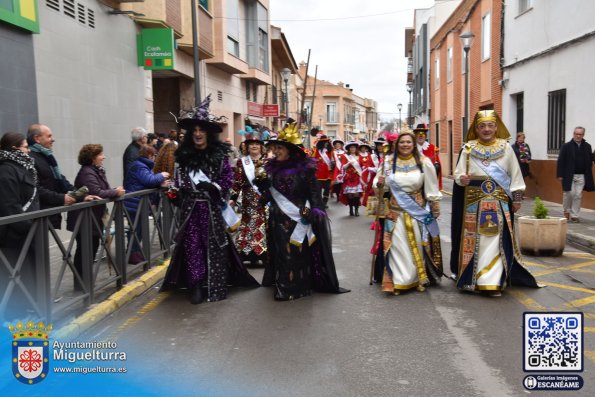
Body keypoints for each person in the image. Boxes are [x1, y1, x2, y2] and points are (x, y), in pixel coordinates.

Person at [160, 94, 258, 304]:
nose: (197, 134)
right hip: (190, 209)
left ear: (208, 133)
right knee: (192, 246)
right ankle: (196, 285)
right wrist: (174, 192)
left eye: (201, 130)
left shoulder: (220, 156)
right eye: (194, 130)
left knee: (214, 246)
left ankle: (214, 284)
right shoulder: (183, 156)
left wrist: (213, 187)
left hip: (212, 210)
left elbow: (227, 179)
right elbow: (177, 181)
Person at [255, 123, 349, 300]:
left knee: (294, 253)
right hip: (277, 217)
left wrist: (316, 210)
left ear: (290, 150)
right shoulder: (272, 168)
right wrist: (263, 193)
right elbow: (272, 192)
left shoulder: (305, 169)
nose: (276, 151)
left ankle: (292, 287)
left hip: (296, 217)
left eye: (280, 148)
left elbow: (314, 192)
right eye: (275, 147)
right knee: (281, 252)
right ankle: (283, 282)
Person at [451, 110, 539, 296]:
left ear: (496, 127)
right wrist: (462, 179)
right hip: (473, 204)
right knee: (476, 241)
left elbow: (515, 175)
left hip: (498, 203)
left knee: (495, 240)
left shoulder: (506, 148)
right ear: (476, 128)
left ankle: (493, 282)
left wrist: (516, 199)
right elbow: (458, 174)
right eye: (482, 126)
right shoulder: (468, 148)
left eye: (490, 125)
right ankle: (471, 279)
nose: (486, 129)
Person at [372, 132, 443, 295]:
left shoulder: (424, 162)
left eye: (408, 142)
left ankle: (416, 279)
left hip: (417, 212)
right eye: (402, 142)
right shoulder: (388, 162)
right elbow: (379, 184)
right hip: (395, 212)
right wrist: (379, 183)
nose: (405, 145)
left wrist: (435, 206)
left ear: (413, 144)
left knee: (417, 246)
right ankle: (398, 281)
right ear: (397, 145)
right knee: (396, 247)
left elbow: (432, 187)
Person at [67, 144, 125, 291]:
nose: (103, 157)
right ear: (93, 158)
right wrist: (115, 192)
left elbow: (102, 190)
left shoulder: (95, 171)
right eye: (101, 154)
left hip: (92, 218)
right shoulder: (87, 173)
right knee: (84, 251)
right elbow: (97, 191)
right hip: (85, 218)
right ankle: (81, 285)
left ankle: (85, 284)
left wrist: (112, 191)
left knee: (90, 250)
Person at [0, 132, 40, 319]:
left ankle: (27, 311)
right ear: (15, 148)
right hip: (14, 235)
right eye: (25, 146)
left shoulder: (22, 167)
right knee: (14, 278)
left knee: (26, 275)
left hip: (25, 232)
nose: (28, 149)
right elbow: (9, 205)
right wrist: (29, 227)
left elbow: (35, 194)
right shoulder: (6, 170)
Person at [124, 145, 169, 264]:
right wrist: (161, 175)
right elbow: (148, 180)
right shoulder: (140, 166)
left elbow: (147, 182)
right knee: (135, 230)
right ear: (149, 155)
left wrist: (160, 184)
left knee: (139, 230)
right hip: (134, 203)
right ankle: (132, 254)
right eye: (154, 155)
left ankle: (135, 253)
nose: (154, 158)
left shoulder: (141, 165)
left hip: (138, 203)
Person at [230, 129, 269, 267]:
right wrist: (232, 197)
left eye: (257, 144)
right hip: (248, 199)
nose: (254, 146)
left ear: (261, 146)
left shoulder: (268, 162)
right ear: (247, 146)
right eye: (251, 144)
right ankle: (248, 253)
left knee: (263, 225)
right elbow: (237, 181)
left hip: (264, 199)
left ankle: (264, 254)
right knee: (248, 224)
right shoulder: (242, 162)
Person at [27, 123, 77, 229]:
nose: (53, 139)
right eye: (49, 136)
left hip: (47, 215)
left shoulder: (47, 157)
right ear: (37, 138)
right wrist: (61, 198)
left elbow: (60, 180)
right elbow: (35, 189)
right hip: (38, 217)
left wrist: (80, 194)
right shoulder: (30, 159)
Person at [556, 126, 594, 222]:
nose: (578, 136)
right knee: (569, 193)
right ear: (573, 134)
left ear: (583, 135)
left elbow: (590, 160)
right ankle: (566, 210)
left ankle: (575, 215)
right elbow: (561, 161)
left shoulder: (587, 146)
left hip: (582, 175)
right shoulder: (566, 146)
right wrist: (560, 174)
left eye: (580, 134)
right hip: (569, 175)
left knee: (578, 195)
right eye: (576, 134)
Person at [414, 124, 443, 190]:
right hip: (415, 182)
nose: (420, 136)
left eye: (423, 134)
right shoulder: (412, 148)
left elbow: (438, 167)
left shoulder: (432, 148)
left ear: (426, 136)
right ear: (415, 135)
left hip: (429, 182)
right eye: (418, 133)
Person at [338, 141, 364, 216]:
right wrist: (349, 163)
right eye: (351, 147)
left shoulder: (359, 157)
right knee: (350, 195)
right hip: (349, 177)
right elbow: (343, 167)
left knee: (356, 195)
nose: (352, 149)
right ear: (349, 149)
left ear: (356, 149)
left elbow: (363, 167)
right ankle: (350, 209)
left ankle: (356, 210)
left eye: (354, 147)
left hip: (357, 177)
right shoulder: (345, 156)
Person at [311, 135, 334, 207]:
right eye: (325, 142)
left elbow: (333, 161)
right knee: (318, 189)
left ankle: (325, 202)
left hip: (328, 174)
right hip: (318, 174)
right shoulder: (315, 151)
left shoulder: (331, 152)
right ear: (322, 143)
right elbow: (311, 160)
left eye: (327, 142)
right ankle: (319, 202)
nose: (327, 143)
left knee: (327, 189)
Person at [358, 142, 376, 207]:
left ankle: (370, 200)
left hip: (370, 171)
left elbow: (372, 162)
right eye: (362, 148)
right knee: (365, 185)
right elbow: (358, 163)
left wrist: (370, 168)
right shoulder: (359, 155)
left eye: (364, 148)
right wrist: (362, 167)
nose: (363, 149)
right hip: (362, 171)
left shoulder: (369, 154)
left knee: (370, 186)